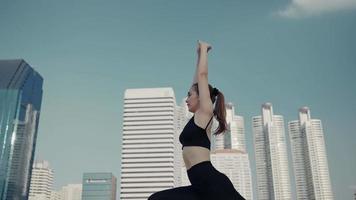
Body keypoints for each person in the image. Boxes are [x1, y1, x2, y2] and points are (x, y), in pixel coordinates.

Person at [148, 40, 246, 200]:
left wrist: (204, 49)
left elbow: (202, 76)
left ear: (201, 98)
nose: (186, 99)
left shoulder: (205, 113)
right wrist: (198, 55)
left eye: (189, 95)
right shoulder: (195, 119)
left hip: (212, 184)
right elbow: (196, 81)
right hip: (199, 187)